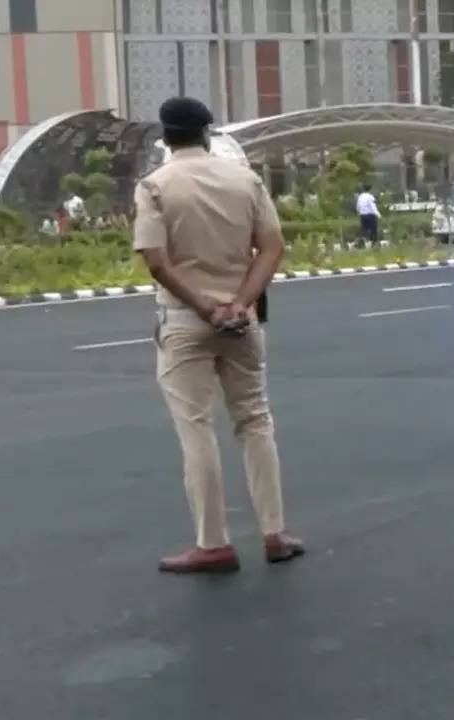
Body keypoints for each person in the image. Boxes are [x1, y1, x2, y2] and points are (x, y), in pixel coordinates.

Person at [133, 96, 305, 574]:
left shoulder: (154, 186)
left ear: (165, 138)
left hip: (186, 322)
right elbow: (271, 247)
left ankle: (213, 543)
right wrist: (240, 303)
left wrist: (205, 306)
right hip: (242, 322)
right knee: (254, 420)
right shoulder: (245, 180)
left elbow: (155, 261)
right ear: (208, 133)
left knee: (197, 427)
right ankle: (275, 533)